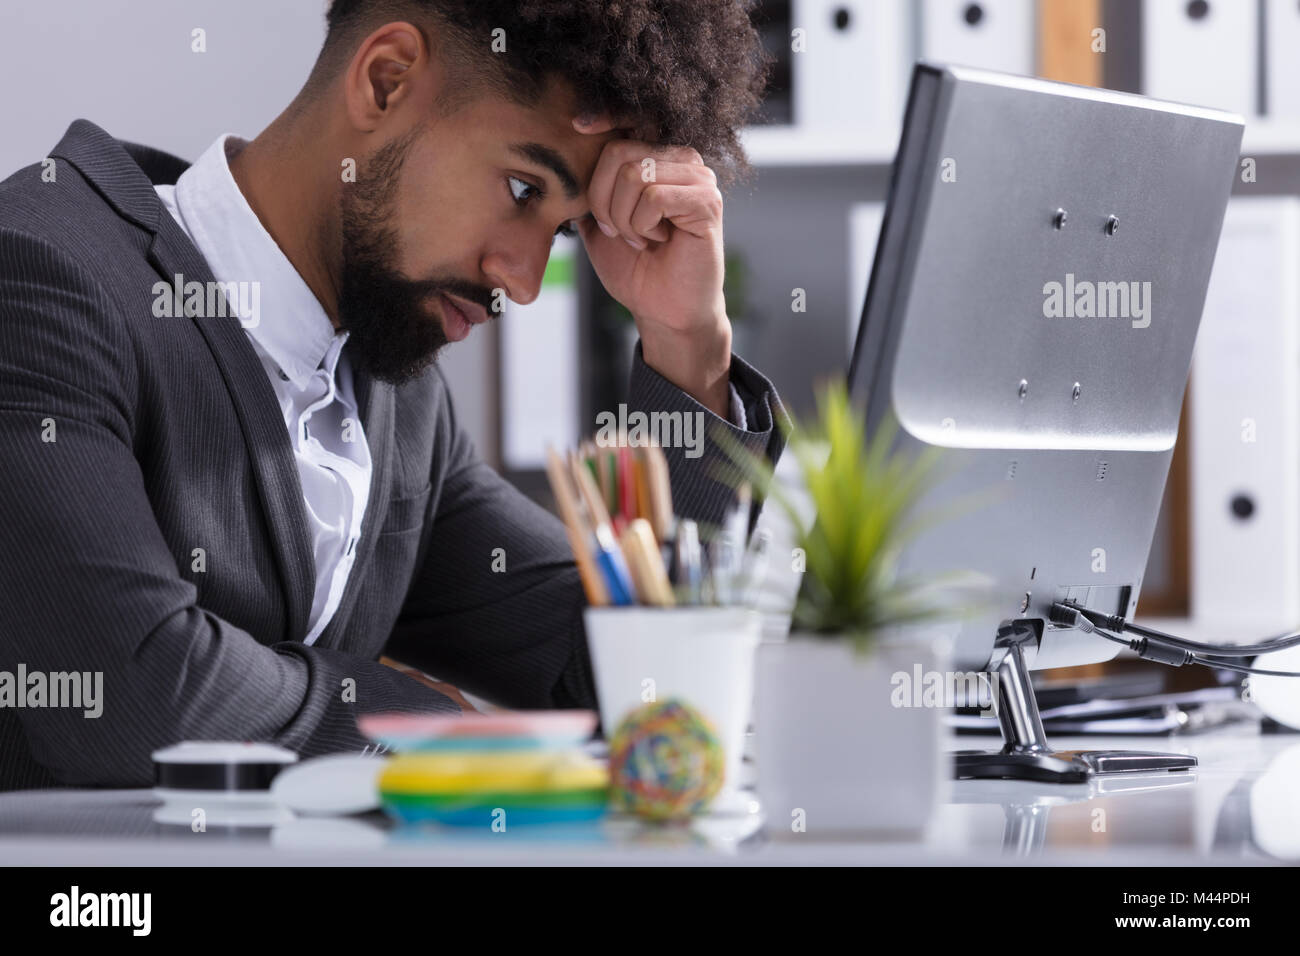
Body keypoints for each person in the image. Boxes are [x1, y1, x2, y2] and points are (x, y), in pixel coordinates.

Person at [0, 0, 787, 789]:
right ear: (386, 80)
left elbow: (637, 691)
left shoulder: (399, 403)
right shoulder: (43, 274)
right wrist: (416, 726)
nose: (523, 279)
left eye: (565, 230)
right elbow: (128, 695)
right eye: (521, 190)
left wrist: (688, 343)